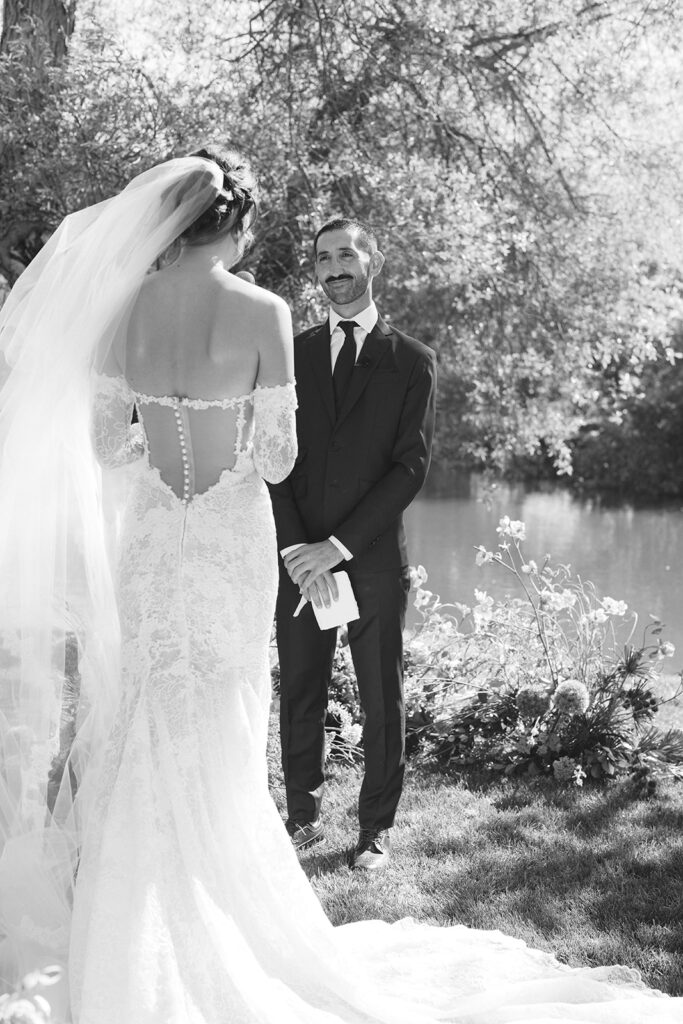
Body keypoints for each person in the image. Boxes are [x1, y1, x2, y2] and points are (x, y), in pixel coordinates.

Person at [0, 150, 680, 1024]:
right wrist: (227, 449)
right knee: (220, 718)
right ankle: (221, 911)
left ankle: (124, 927)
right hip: (226, 538)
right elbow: (277, 456)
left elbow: (105, 446)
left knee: (146, 712)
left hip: (155, 545)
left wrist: (163, 455)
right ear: (238, 228)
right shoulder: (263, 311)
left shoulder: (122, 308)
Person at [268, 218, 437, 868]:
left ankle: (374, 833)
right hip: (297, 559)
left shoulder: (411, 362)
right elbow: (272, 457)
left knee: (380, 695)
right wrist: (295, 551)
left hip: (366, 561)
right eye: (322, 258)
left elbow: (409, 469)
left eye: (345, 254)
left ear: (373, 260)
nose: (333, 267)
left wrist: (333, 548)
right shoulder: (291, 353)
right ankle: (301, 818)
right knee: (301, 689)